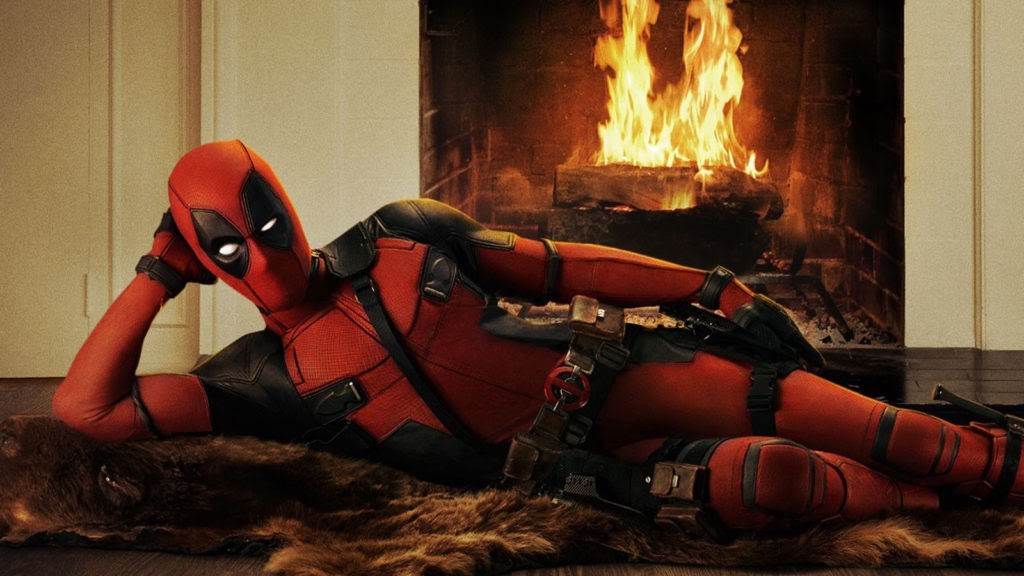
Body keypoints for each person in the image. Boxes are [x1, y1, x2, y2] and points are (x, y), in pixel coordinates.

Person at [53, 141, 1024, 536]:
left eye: (265, 219)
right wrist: (153, 275)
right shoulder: (259, 380)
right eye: (226, 244)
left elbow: (562, 265)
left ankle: (978, 465)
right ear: (203, 257)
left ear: (286, 200)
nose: (262, 252)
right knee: (773, 478)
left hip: (620, 373)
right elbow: (85, 414)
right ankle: (938, 502)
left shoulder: (400, 232)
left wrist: (711, 286)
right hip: (579, 475)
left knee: (868, 421)